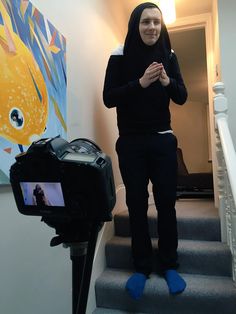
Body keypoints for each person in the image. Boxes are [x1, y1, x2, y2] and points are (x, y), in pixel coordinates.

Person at [103, 2, 187, 300]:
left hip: (163, 140)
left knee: (167, 204)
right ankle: (141, 266)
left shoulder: (170, 55)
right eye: (145, 22)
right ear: (135, 25)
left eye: (156, 22)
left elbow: (182, 96)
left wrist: (166, 81)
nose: (152, 27)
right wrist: (139, 83)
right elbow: (108, 98)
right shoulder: (119, 53)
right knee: (137, 205)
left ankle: (169, 265)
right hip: (131, 143)